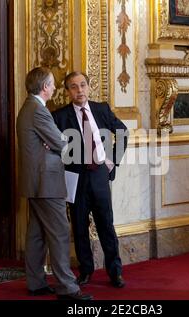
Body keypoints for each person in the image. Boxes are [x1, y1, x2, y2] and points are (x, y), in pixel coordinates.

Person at [16, 67, 92, 300]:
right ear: (44, 86)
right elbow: (62, 144)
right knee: (59, 233)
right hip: (46, 182)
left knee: (37, 234)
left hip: (38, 182)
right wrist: (60, 142)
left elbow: (54, 142)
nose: (55, 87)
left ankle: (36, 282)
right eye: (52, 83)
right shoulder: (38, 110)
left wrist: (54, 143)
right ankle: (67, 288)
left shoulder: (30, 107)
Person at [53, 71, 129, 288]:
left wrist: (113, 161)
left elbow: (123, 132)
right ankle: (85, 271)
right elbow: (55, 149)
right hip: (75, 179)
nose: (79, 90)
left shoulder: (101, 109)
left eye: (83, 85)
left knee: (106, 225)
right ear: (67, 91)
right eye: (74, 87)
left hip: (99, 177)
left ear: (88, 87)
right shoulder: (59, 116)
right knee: (79, 228)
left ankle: (115, 272)